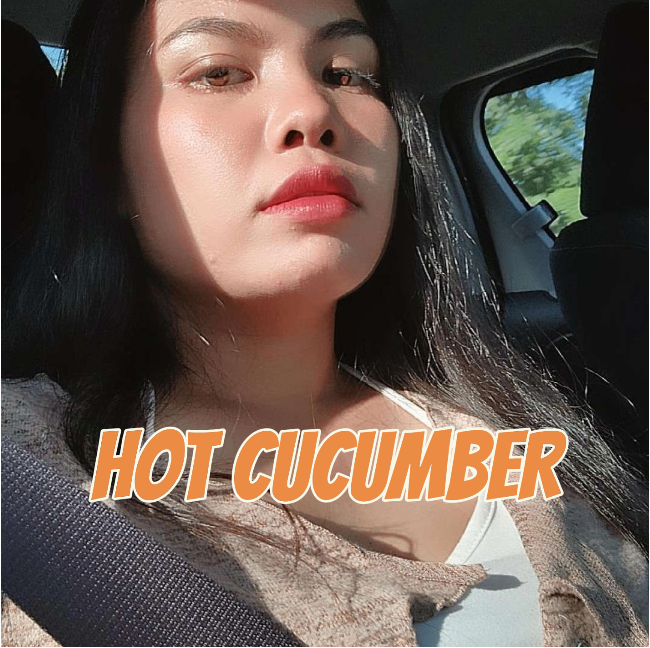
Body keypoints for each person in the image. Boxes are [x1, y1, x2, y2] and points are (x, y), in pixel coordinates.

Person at [2, 0, 647, 645]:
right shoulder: (30, 479)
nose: (313, 110)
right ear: (107, 164)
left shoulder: (523, 411)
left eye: (346, 74)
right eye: (218, 72)